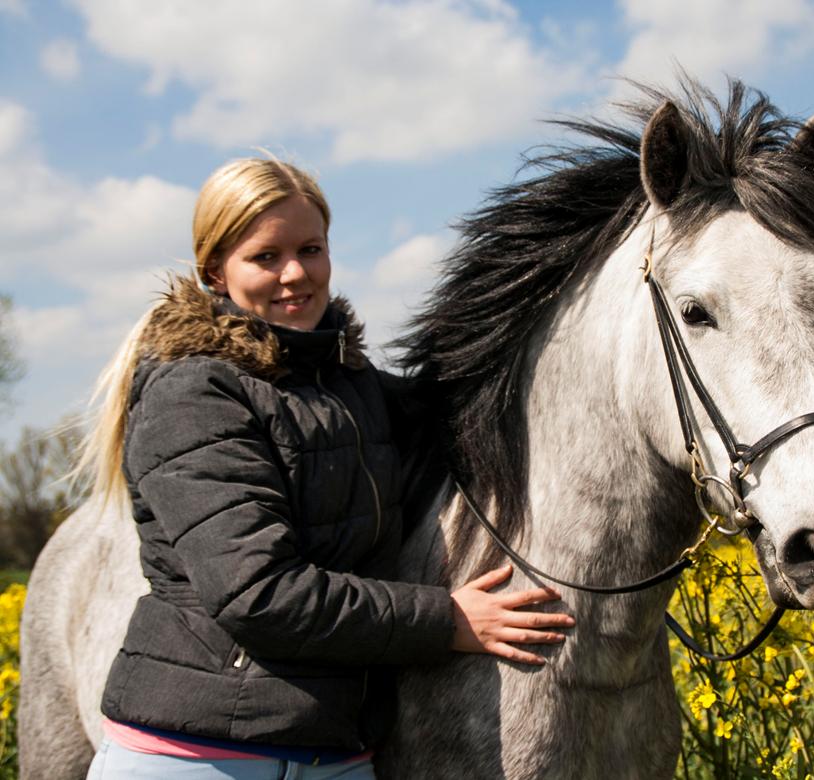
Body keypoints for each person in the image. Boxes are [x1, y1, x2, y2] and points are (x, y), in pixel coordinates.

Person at [79, 158, 574, 779]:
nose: (295, 274)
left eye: (310, 248)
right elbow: (259, 594)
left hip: (337, 758)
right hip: (199, 758)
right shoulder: (192, 395)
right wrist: (446, 620)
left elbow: (464, 405)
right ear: (215, 271)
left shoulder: (351, 385)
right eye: (265, 256)